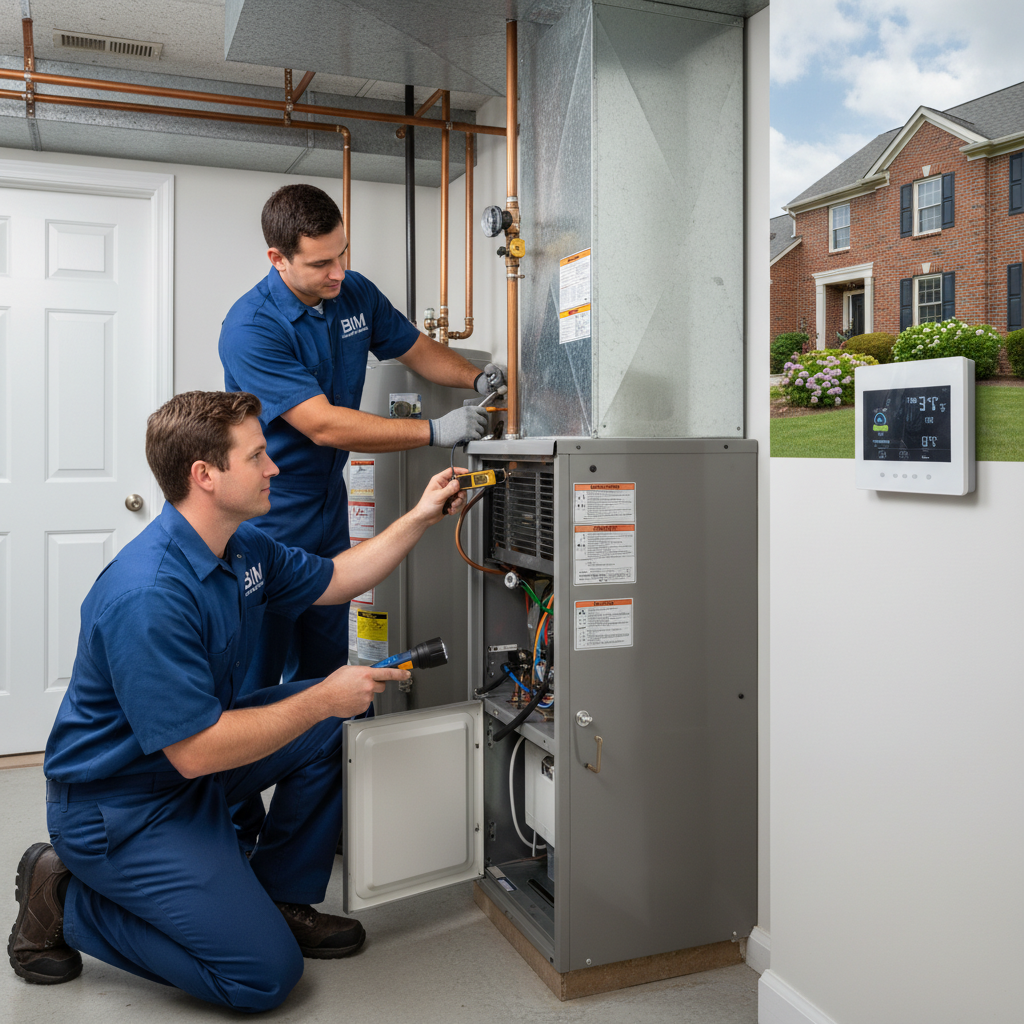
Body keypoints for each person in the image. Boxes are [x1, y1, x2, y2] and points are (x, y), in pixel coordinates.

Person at [7, 391, 465, 1010]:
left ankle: (278, 896)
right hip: (121, 807)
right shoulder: (149, 595)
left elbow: (336, 579)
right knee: (261, 977)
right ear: (206, 476)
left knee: (339, 717)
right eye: (257, 457)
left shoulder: (242, 546)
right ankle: (64, 896)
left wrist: (422, 514)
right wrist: (323, 697)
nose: (274, 468)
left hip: (186, 775)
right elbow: (196, 753)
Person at [219, 183, 506, 697]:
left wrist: (476, 378)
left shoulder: (353, 293)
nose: (338, 272)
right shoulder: (252, 328)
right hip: (270, 511)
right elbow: (323, 424)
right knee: (258, 674)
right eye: (320, 263)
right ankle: (245, 778)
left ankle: (322, 776)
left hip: (331, 503)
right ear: (278, 259)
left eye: (343, 253)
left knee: (329, 665)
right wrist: (435, 431)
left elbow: (415, 348)